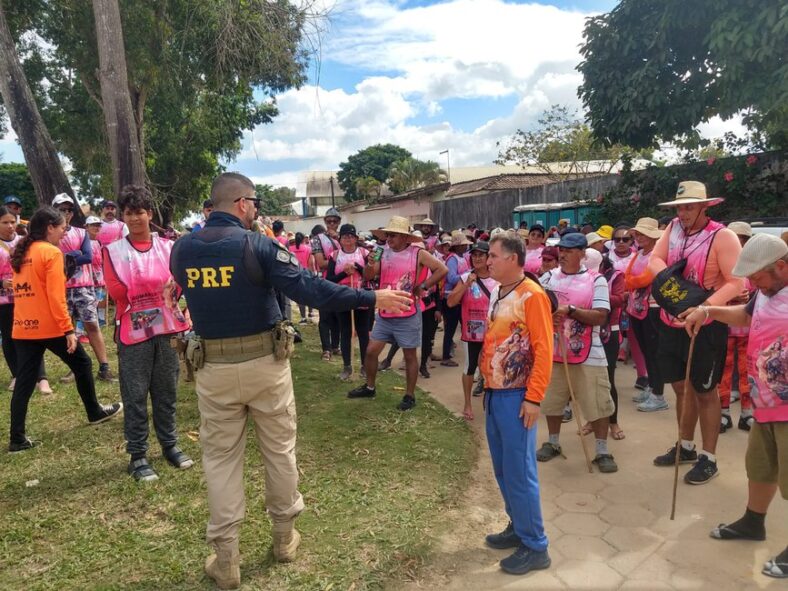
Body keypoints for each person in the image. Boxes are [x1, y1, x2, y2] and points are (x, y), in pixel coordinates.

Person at [169, 172, 412, 589]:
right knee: (279, 451)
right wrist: (372, 297)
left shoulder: (181, 250)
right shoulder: (257, 245)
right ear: (243, 203)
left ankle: (226, 558)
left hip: (213, 370)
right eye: (256, 203)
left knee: (221, 460)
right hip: (265, 364)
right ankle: (284, 539)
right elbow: (313, 291)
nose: (258, 210)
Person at [682, 233, 788, 579]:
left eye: (757, 276)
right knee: (760, 467)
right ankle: (753, 522)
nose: (751, 283)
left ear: (782, 267)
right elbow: (745, 315)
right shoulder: (765, 294)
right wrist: (708, 310)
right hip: (765, 404)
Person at [649, 181, 743, 485]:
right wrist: (672, 284)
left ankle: (709, 457)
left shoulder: (722, 236)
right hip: (672, 318)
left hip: (707, 325)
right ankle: (686, 445)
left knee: (705, 391)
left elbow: (736, 282)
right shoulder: (673, 229)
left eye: (689, 206)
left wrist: (705, 306)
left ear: (705, 206)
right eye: (679, 206)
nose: (683, 212)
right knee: (680, 388)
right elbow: (655, 259)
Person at [8, 207, 122, 452]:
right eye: (61, 228)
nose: (63, 233)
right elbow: (55, 296)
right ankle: (94, 411)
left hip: (23, 328)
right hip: (49, 327)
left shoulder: (21, 251)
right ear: (50, 227)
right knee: (82, 364)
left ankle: (16, 438)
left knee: (25, 383)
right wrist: (68, 329)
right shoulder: (51, 252)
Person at [104, 185, 193, 482]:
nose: (135, 218)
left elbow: (178, 282)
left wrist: (156, 289)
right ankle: (138, 454)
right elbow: (117, 290)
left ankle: (170, 445)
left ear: (149, 214)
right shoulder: (113, 252)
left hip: (167, 327)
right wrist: (156, 289)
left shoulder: (168, 247)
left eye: (140, 212)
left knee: (166, 389)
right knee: (135, 393)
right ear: (123, 216)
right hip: (134, 332)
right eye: (129, 213)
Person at [481, 231, 554, 575]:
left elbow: (544, 351)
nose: (488, 260)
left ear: (513, 259)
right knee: (502, 468)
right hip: (495, 393)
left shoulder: (532, 296)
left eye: (494, 255)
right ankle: (518, 525)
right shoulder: (497, 291)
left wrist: (534, 397)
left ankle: (535, 545)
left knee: (520, 472)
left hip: (517, 396)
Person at [536, 232, 618, 473]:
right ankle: (552, 442)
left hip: (589, 352)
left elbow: (602, 316)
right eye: (561, 249)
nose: (562, 254)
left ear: (582, 254)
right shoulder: (548, 278)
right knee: (553, 400)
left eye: (569, 250)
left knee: (597, 402)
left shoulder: (597, 280)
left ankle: (602, 450)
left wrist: (570, 310)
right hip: (554, 349)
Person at [347, 216, 447, 411]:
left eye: (393, 235)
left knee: (410, 355)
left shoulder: (418, 253)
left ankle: (409, 396)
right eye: (387, 235)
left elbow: (441, 269)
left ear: (404, 237)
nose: (389, 238)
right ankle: (370, 386)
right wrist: (368, 264)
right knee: (370, 351)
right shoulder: (381, 252)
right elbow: (369, 276)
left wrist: (424, 285)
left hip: (407, 313)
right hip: (385, 312)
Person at [51, 194, 116, 382]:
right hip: (60, 287)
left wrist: (63, 258)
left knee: (92, 326)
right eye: (61, 209)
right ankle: (76, 367)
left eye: (69, 209)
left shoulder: (81, 233)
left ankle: (104, 367)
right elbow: (49, 258)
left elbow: (87, 256)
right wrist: (72, 255)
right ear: (54, 209)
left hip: (84, 286)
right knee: (68, 330)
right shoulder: (50, 235)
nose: (66, 213)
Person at [0, 206, 52, 394]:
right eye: (5, 222)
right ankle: (17, 375)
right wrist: (1, 283)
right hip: (4, 301)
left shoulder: (24, 242)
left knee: (34, 335)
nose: (10, 226)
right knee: (9, 337)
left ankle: (42, 378)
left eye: (13, 222)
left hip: (27, 297)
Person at [447, 241, 497, 420]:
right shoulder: (465, 277)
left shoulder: (498, 277)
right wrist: (467, 284)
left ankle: (491, 402)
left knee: (492, 367)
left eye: (481, 255)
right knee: (470, 367)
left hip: (494, 331)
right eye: (474, 255)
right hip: (472, 330)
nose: (477, 258)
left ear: (488, 257)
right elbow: (451, 302)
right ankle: (468, 404)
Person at [625, 217, 669, 412]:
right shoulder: (639, 253)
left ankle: (658, 394)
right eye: (638, 233)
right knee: (645, 350)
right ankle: (652, 387)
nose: (640, 237)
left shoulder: (658, 256)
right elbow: (629, 277)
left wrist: (630, 282)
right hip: (636, 307)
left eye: (644, 234)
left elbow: (643, 279)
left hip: (653, 307)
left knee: (654, 351)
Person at [719, 221, 755, 432]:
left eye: (742, 239)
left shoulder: (754, 265)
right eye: (735, 238)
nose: (738, 243)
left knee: (747, 369)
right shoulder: (721, 262)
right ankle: (723, 412)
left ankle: (746, 413)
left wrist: (749, 295)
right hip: (724, 326)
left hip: (749, 329)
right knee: (724, 369)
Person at [326, 224, 371, 382]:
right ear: (340, 239)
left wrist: (357, 267)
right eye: (345, 236)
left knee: (363, 333)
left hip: (362, 297)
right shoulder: (335, 255)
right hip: (342, 297)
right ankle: (347, 366)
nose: (348, 239)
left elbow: (370, 275)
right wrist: (344, 273)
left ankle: (365, 366)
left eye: (351, 236)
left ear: (356, 239)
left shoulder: (364, 253)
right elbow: (329, 280)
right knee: (345, 332)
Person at [312, 208, 342, 361]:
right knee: (325, 316)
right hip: (324, 281)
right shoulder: (318, 238)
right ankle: (326, 349)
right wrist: (340, 261)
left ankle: (335, 346)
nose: (331, 224)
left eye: (334, 221)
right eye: (328, 221)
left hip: (341, 281)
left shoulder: (344, 237)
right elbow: (321, 263)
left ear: (339, 222)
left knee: (338, 315)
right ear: (324, 221)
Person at [440, 231, 471, 367]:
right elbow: (451, 278)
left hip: (460, 296)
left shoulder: (462, 257)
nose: (465, 247)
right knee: (450, 328)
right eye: (463, 245)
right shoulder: (452, 259)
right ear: (457, 246)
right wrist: (467, 276)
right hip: (451, 296)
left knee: (461, 325)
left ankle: (451, 352)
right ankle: (446, 356)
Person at [85, 216, 108, 327]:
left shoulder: (98, 242)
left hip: (99, 275)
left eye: (98, 225)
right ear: (86, 227)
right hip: (87, 276)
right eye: (93, 225)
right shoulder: (83, 241)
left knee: (100, 298)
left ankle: (100, 319)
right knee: (89, 301)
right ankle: (86, 324)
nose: (96, 227)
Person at [288, 232, 315, 323]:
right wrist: (313, 274)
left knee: (300, 296)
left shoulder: (290, 249)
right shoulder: (308, 249)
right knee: (309, 293)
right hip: (306, 273)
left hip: (295, 273)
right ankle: (310, 313)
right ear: (304, 239)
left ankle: (303, 317)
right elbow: (311, 263)